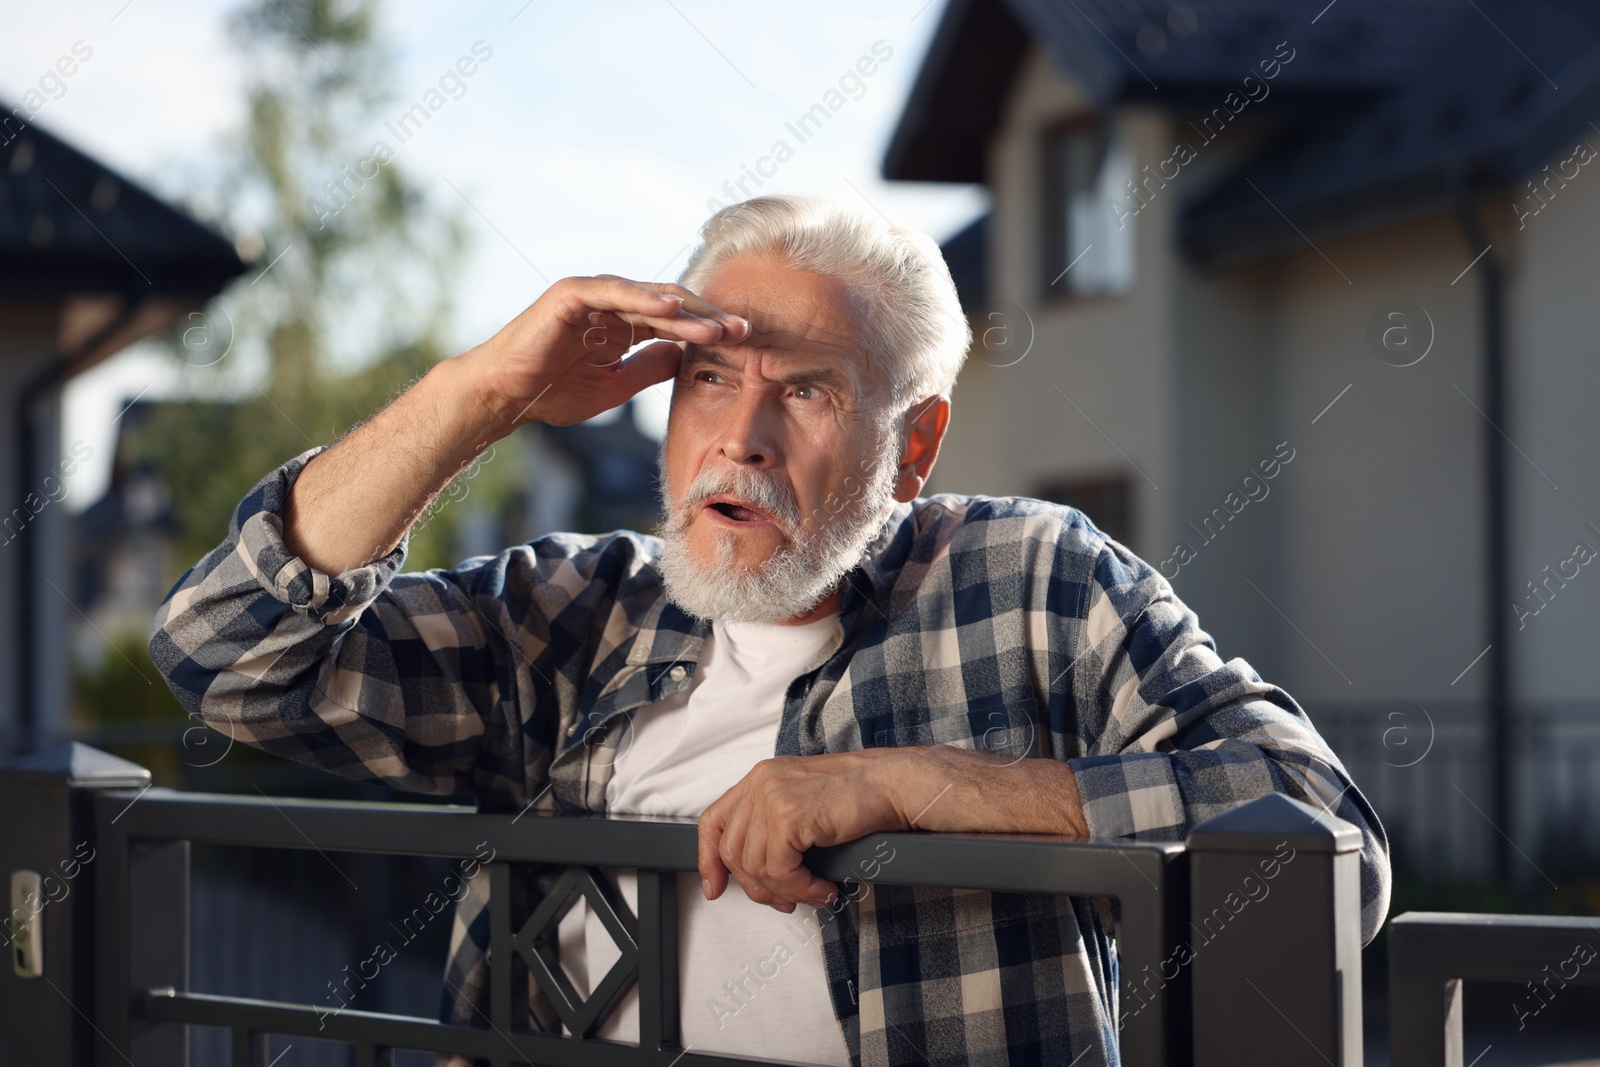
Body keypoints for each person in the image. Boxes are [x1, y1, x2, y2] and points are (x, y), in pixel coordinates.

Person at [150, 193, 1390, 1066]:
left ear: (911, 447)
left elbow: (1319, 833)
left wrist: (906, 785)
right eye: (706, 379)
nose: (738, 438)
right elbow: (228, 651)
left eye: (804, 389)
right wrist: (486, 393)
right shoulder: (576, 610)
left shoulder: (1031, 579)